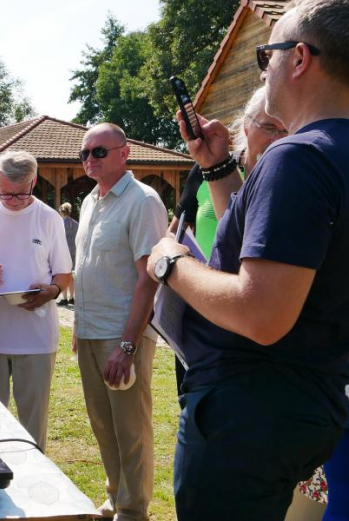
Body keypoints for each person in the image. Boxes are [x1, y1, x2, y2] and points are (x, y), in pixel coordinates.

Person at [145, 1, 349, 518]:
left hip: (247, 419)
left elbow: (262, 314)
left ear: (299, 58)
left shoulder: (298, 157)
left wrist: (171, 263)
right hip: (307, 404)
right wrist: (216, 169)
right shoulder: (330, 154)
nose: (264, 68)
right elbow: (278, 249)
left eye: (268, 54)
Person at [73, 123, 167, 520]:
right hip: (90, 331)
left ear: (124, 154)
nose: (89, 160)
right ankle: (116, 495)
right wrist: (78, 328)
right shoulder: (91, 200)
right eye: (84, 154)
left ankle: (133, 510)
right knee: (103, 424)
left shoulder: (143, 201)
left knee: (131, 429)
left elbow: (148, 278)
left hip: (122, 335)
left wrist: (128, 345)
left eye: (99, 152)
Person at [0, 151, 72, 450]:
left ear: (34, 182)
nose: (13, 201)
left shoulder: (49, 218)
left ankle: (33, 489)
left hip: (36, 337)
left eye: (21, 195)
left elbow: (63, 274)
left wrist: (50, 291)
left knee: (32, 425)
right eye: (5, 194)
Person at [170, 87, 288, 256]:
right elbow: (174, 231)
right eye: (269, 127)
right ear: (247, 126)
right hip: (200, 279)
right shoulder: (207, 167)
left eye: (286, 130)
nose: (278, 139)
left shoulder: (293, 179)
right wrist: (174, 256)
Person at [58, 202, 78, 305]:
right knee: (71, 276)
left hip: (63, 253)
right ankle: (72, 297)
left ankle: (64, 298)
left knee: (64, 276)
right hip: (74, 252)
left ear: (61, 211)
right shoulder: (75, 223)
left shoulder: (59, 223)